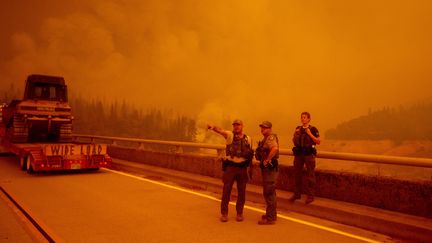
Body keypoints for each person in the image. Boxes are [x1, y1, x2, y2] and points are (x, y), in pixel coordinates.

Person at [207, 119, 254, 222]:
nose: (236, 127)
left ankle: (239, 213)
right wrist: (213, 127)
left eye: (238, 125)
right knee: (226, 191)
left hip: (242, 168)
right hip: (231, 168)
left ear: (242, 126)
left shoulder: (248, 139)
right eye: (234, 125)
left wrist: (250, 168)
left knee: (242, 192)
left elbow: (250, 154)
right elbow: (221, 131)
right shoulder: (230, 135)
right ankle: (224, 214)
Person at [290, 112, 321, 204]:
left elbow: (318, 141)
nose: (303, 119)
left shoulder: (313, 129)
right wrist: (295, 134)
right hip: (299, 154)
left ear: (309, 119)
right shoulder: (298, 129)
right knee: (297, 174)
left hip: (308, 155)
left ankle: (310, 196)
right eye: (302, 117)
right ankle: (297, 194)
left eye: (305, 117)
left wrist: (310, 134)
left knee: (310, 175)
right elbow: (294, 141)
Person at [255, 121, 279, 225]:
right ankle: (271, 214)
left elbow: (274, 148)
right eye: (261, 127)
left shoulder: (270, 138)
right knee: (269, 192)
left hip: (269, 169)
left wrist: (267, 160)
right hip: (267, 169)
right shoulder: (266, 138)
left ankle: (270, 218)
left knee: (269, 192)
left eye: (264, 128)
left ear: (270, 128)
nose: (262, 129)